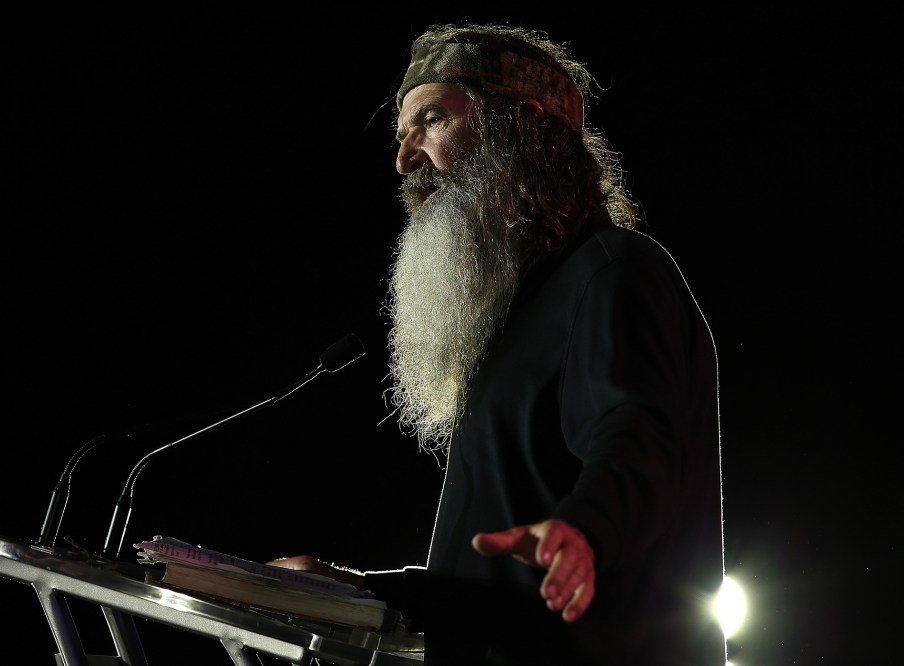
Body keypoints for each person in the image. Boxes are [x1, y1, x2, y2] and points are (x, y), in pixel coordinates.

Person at [269, 22, 727, 665]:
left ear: (522, 129)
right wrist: (362, 592)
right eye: (402, 134)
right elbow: (499, 590)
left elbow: (637, 437)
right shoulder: (511, 320)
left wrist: (586, 531)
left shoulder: (614, 272)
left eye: (431, 121)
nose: (404, 158)